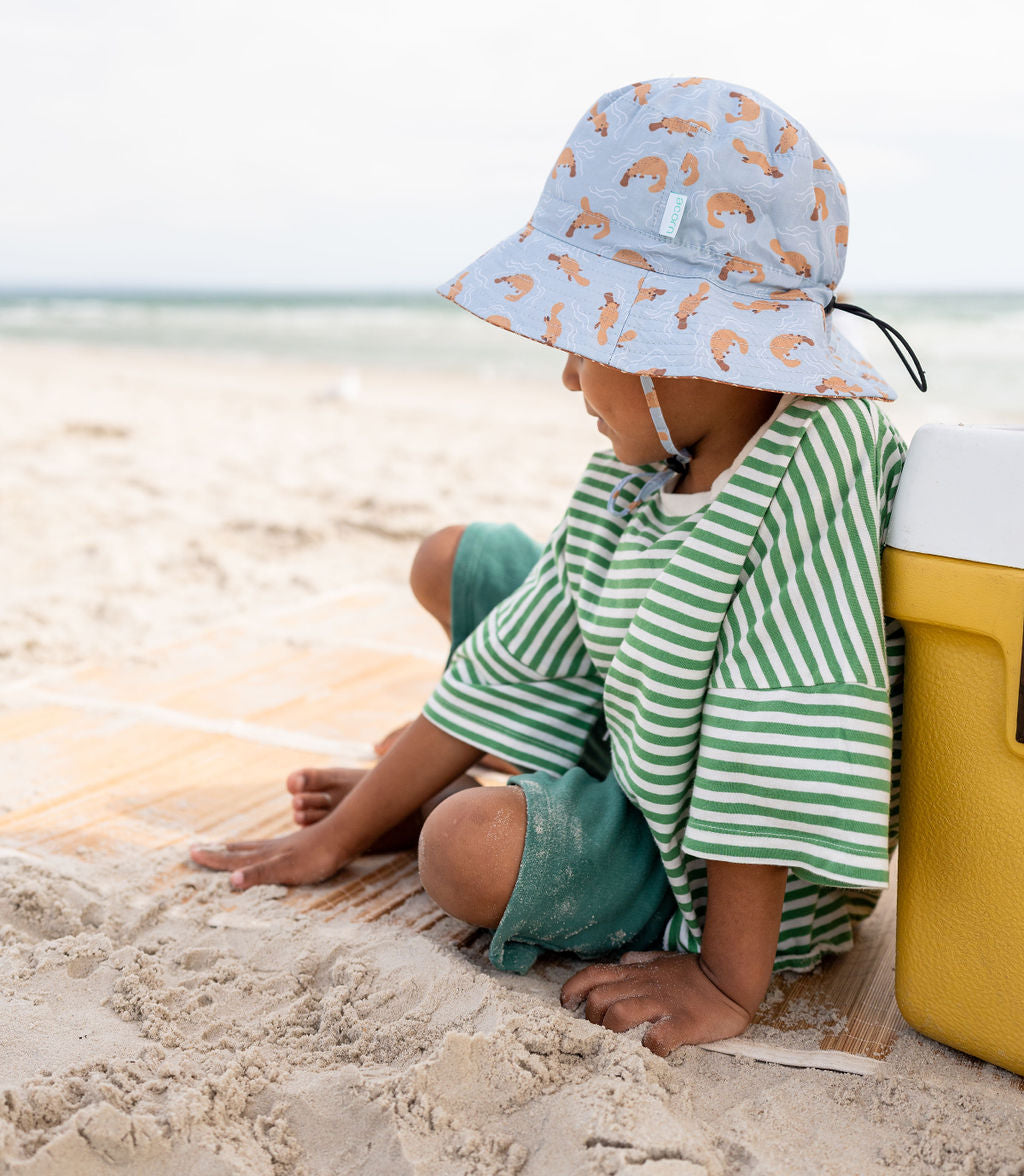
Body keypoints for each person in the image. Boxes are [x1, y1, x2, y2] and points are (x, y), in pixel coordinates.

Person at [192, 77, 924, 1055]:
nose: (569, 376)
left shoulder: (811, 465)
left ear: (686, 349)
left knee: (459, 851)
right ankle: (433, 792)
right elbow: (515, 653)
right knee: (456, 560)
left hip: (738, 877)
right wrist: (341, 830)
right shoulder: (642, 474)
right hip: (641, 742)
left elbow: (777, 713)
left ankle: (452, 810)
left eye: (588, 340)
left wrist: (726, 976)